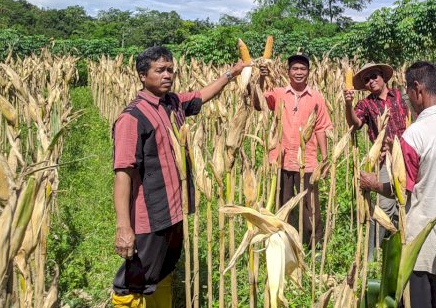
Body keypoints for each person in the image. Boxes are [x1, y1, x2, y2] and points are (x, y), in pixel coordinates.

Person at [112, 45, 247, 307]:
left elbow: (202, 94)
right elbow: (122, 174)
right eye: (159, 70)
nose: (167, 75)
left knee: (164, 269)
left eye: (171, 70)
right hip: (150, 215)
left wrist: (232, 73)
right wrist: (123, 227)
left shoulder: (173, 103)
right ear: (142, 75)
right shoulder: (132, 118)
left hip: (176, 210)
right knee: (135, 279)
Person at [360, 61, 436, 308]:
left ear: (418, 89)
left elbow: (402, 190)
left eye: (408, 92)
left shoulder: (415, 133)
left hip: (422, 241)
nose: (407, 99)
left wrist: (375, 184)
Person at [255, 54, 332, 248]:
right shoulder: (278, 93)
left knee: (310, 204)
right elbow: (258, 104)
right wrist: (262, 77)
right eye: (295, 69)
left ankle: (316, 244)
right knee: (283, 203)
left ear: (308, 72)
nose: (299, 72)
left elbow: (321, 128)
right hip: (281, 159)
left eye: (303, 69)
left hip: (308, 161)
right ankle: (284, 243)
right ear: (288, 72)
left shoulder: (316, 98)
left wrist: (325, 159)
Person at [344, 62, 409, 258]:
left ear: (383, 76)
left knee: (407, 204)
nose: (371, 81)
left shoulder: (401, 96)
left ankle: (402, 248)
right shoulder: (365, 104)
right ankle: (372, 257)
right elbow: (355, 124)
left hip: (407, 157)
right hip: (384, 160)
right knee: (383, 208)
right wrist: (348, 104)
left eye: (374, 76)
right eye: (366, 79)